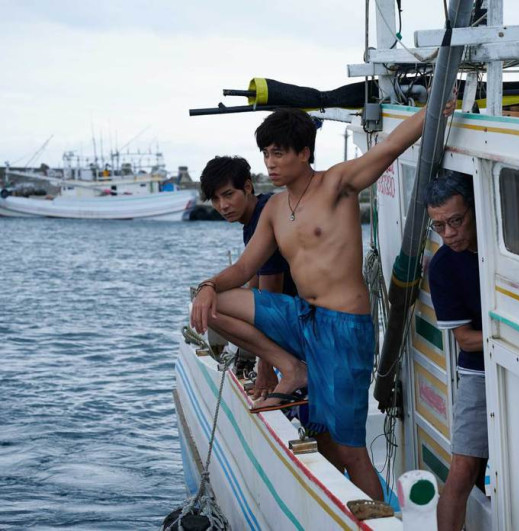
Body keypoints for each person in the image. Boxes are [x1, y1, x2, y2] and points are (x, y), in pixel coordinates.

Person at [190, 102, 454, 500]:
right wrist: (208, 285)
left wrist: (439, 104)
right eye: (266, 154)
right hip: (302, 318)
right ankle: (290, 367)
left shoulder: (338, 184)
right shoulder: (275, 208)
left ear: (304, 154)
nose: (270, 163)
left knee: (347, 448)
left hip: (345, 329)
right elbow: (244, 269)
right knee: (216, 304)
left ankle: (377, 519)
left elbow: (392, 146)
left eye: (278, 152)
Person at [199, 155, 296, 403]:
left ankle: (288, 366)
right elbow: (254, 280)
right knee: (211, 297)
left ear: (248, 187)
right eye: (216, 199)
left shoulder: (264, 216)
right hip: (293, 310)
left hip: (299, 315)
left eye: (229, 194)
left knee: (211, 304)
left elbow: (271, 293)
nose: (223, 206)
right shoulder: (255, 216)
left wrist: (265, 367)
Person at [424, 171, 488, 531]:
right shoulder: (444, 266)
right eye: (439, 226)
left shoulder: (507, 241)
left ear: (475, 210)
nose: (448, 234)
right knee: (462, 468)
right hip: (478, 371)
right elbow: (464, 339)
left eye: (455, 221)